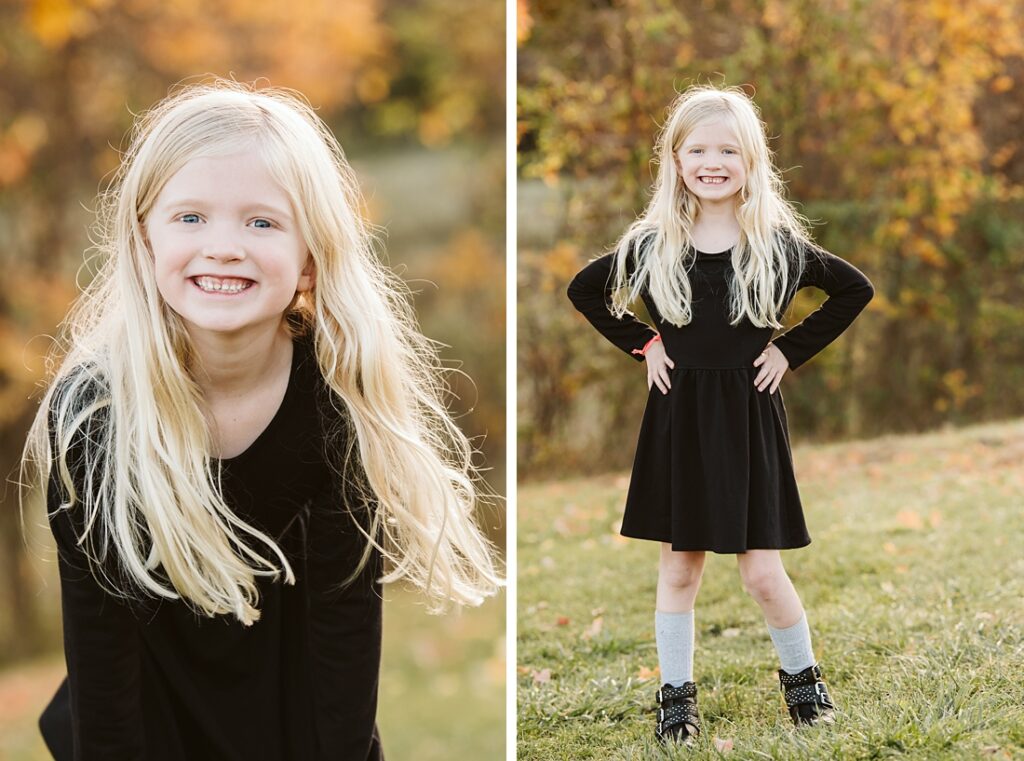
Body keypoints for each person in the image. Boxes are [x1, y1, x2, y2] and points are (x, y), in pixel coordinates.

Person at [20, 79, 501, 760]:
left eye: (261, 221)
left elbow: (343, 636)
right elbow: (102, 654)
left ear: (310, 255)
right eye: (189, 217)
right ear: (144, 238)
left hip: (292, 715)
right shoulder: (95, 416)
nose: (222, 246)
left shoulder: (337, 398)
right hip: (143, 715)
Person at [567, 85, 874, 745]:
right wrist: (643, 342)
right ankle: (676, 700)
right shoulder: (653, 243)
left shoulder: (776, 245)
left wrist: (790, 350)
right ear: (676, 160)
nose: (713, 161)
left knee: (763, 570)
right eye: (698, 149)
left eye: (727, 149)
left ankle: (806, 687)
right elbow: (584, 289)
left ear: (751, 161)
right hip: (678, 419)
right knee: (681, 567)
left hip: (747, 416)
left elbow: (854, 289)